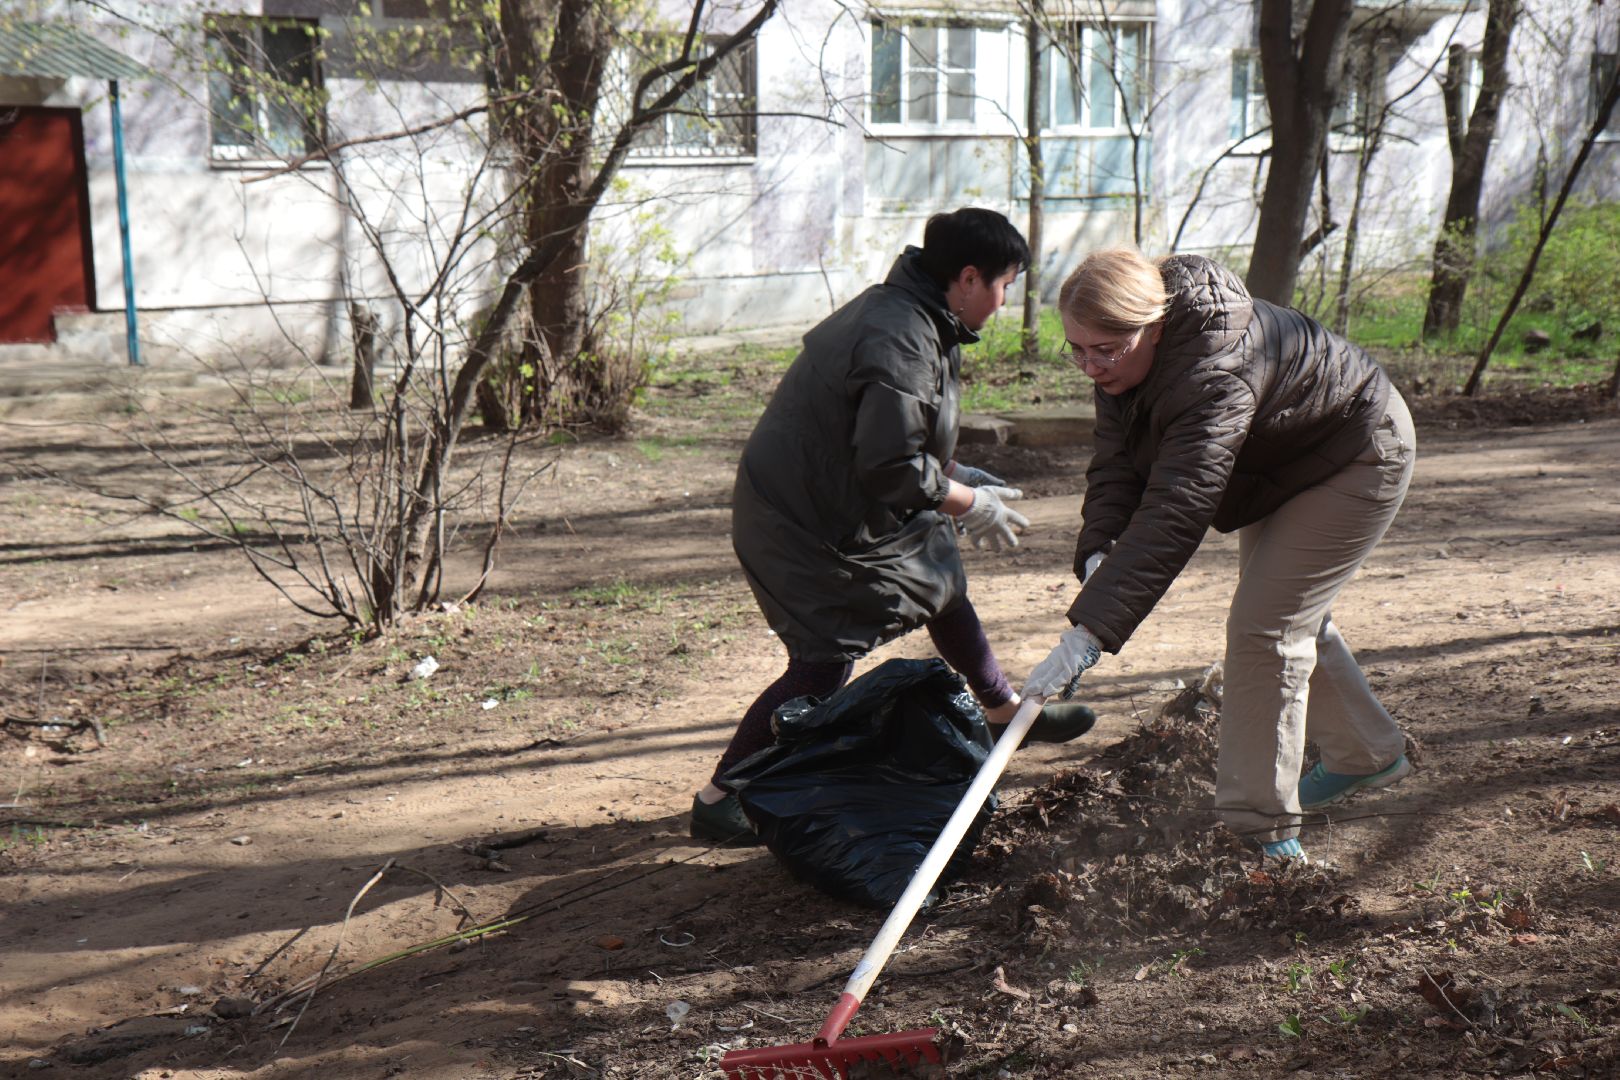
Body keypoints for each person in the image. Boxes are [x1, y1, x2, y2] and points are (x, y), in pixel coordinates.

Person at [692, 208, 1096, 846]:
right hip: (802, 521)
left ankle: (1001, 711)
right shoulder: (901, 336)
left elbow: (886, 434)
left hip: (836, 501)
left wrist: (960, 473)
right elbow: (887, 464)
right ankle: (722, 795)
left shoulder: (915, 315)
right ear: (968, 277)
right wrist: (964, 499)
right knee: (824, 661)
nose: (1005, 297)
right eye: (1005, 283)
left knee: (940, 578)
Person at [1023, 248, 1416, 861]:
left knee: (1266, 626)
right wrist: (1101, 548)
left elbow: (1177, 506)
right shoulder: (1126, 361)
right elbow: (1118, 458)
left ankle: (1260, 832)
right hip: (1281, 459)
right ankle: (1364, 753)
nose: (1089, 365)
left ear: (1153, 326)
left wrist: (1092, 628)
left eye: (1105, 349)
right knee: (1285, 611)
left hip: (1356, 451)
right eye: (1076, 348)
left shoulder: (1214, 369)